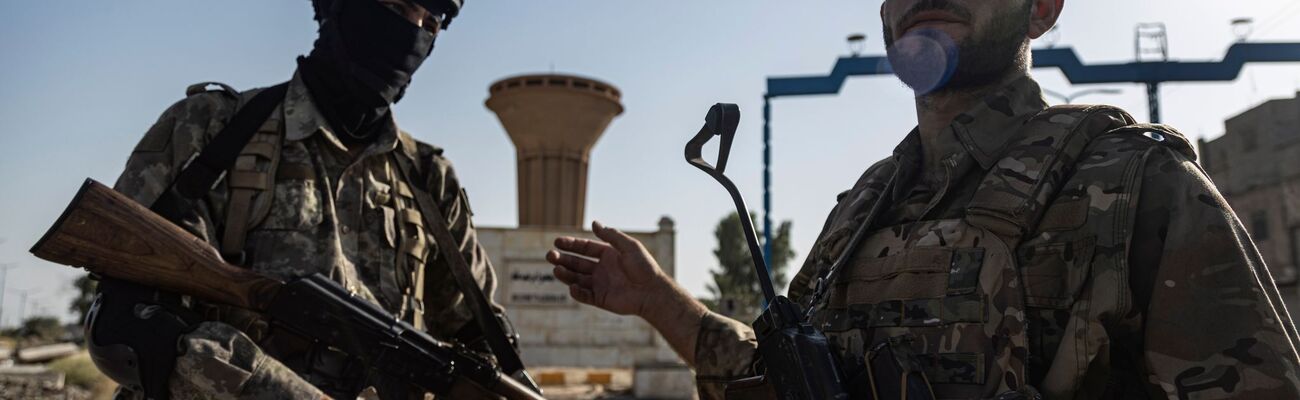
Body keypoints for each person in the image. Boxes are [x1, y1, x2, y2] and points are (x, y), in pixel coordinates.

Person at [546, 0, 1300, 398]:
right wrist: (656, 301)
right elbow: (781, 375)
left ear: (1043, 6)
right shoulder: (861, 211)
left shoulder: (1139, 187)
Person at [95, 0, 512, 398]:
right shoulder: (212, 129)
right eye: (396, 9)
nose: (411, 34)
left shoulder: (431, 179)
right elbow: (128, 322)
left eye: (431, 23)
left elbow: (478, 341)